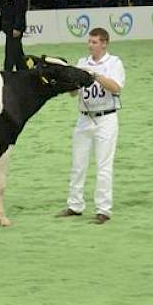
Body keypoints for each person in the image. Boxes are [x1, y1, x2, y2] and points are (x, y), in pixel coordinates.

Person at [57, 28, 125, 225]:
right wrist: (70, 81)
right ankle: (75, 204)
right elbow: (73, 93)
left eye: (95, 42)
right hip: (84, 117)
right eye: (90, 41)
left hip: (106, 118)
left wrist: (94, 76)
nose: (90, 45)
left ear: (104, 43)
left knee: (104, 166)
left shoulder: (114, 63)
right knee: (78, 164)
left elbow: (116, 88)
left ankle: (103, 209)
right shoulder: (82, 63)